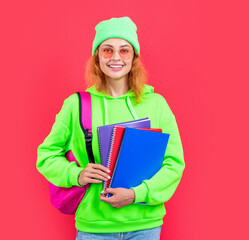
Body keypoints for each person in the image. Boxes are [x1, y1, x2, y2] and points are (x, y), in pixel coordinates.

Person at [36, 16, 185, 240]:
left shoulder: (157, 104)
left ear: (134, 56)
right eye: (107, 50)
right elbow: (46, 155)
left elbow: (174, 164)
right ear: (97, 56)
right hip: (94, 228)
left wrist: (137, 194)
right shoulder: (76, 105)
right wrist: (76, 175)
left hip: (146, 225)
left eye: (124, 50)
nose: (116, 57)